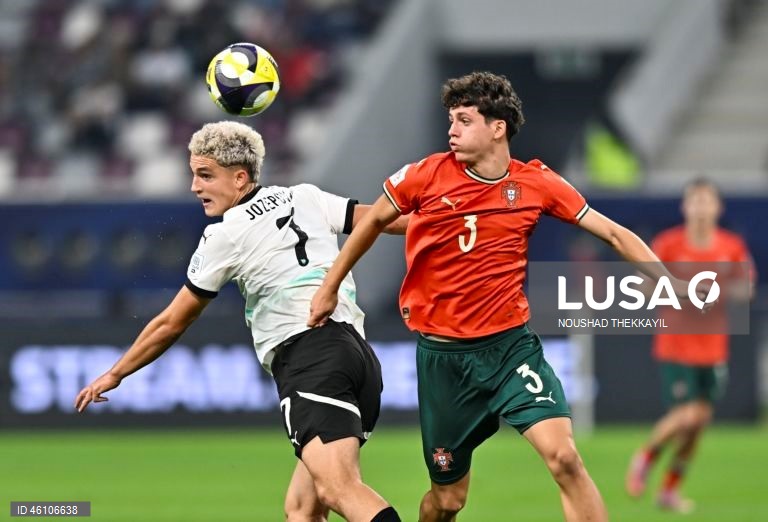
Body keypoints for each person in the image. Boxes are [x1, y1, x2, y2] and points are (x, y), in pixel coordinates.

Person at [308, 71, 704, 522]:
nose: (452, 130)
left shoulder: (535, 183)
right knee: (447, 500)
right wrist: (329, 287)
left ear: (498, 128)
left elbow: (612, 232)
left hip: (509, 350)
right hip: (444, 361)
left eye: (464, 119)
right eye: (450, 120)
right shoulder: (425, 175)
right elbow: (373, 221)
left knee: (565, 459)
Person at [74, 121, 405, 522]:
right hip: (357, 358)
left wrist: (116, 373)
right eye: (194, 174)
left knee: (339, 489)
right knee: (301, 509)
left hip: (309, 356)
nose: (195, 186)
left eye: (206, 175)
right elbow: (384, 219)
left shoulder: (224, 235)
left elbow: (172, 323)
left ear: (240, 177)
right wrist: (461, 223)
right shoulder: (304, 196)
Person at [625, 178, 756, 513]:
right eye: (694, 201)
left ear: (717, 208)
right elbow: (641, 287)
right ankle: (645, 457)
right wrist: (680, 291)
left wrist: (720, 292)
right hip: (676, 344)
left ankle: (669, 491)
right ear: (685, 207)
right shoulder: (668, 245)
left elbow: (747, 288)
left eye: (706, 201)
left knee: (699, 423)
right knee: (686, 416)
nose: (700, 208)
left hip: (713, 348)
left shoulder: (730, 246)